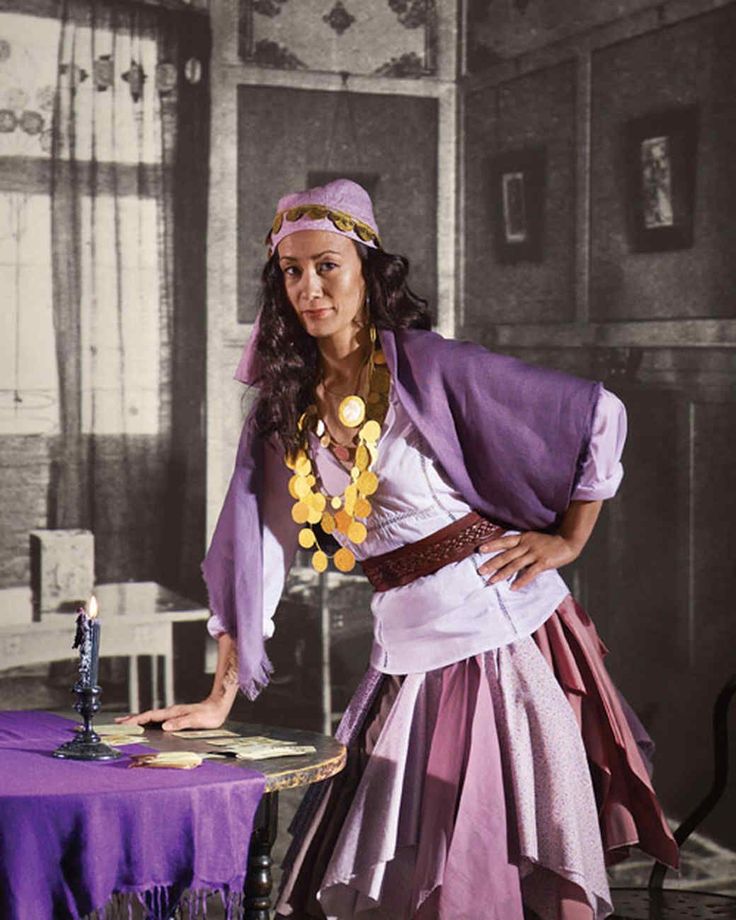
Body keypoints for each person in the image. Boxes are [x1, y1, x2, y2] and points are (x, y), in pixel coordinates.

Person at [119, 179, 678, 919]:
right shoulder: (288, 406)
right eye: (292, 271)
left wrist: (569, 540)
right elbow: (256, 550)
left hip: (495, 634)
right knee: (392, 871)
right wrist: (221, 695)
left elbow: (599, 412)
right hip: (403, 641)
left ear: (366, 272)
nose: (310, 287)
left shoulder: (428, 365)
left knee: (482, 865)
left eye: (328, 266)